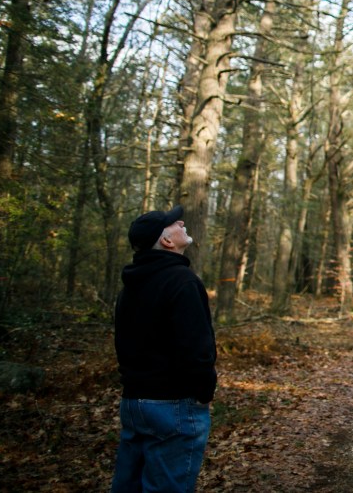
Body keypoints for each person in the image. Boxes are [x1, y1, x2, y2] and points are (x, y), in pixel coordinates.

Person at [110, 205, 217, 493]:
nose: (182, 222)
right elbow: (196, 348)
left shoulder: (129, 288)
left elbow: (124, 345)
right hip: (174, 405)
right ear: (167, 242)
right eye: (174, 223)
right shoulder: (182, 281)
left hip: (134, 403)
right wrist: (204, 393)